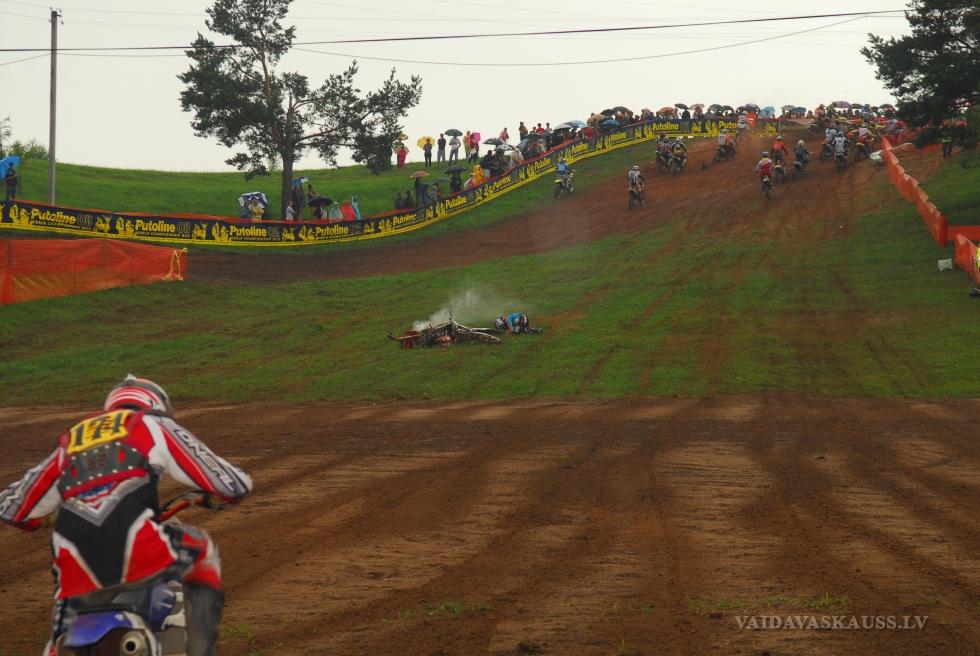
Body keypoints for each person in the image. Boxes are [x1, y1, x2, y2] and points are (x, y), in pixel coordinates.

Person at [0, 375, 252, 656]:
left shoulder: (71, 439)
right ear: (156, 405)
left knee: (65, 591)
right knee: (201, 549)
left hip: (75, 563)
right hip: (138, 548)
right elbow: (233, 486)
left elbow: (12, 509)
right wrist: (236, 488)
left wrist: (43, 519)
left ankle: (59, 639)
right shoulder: (153, 424)